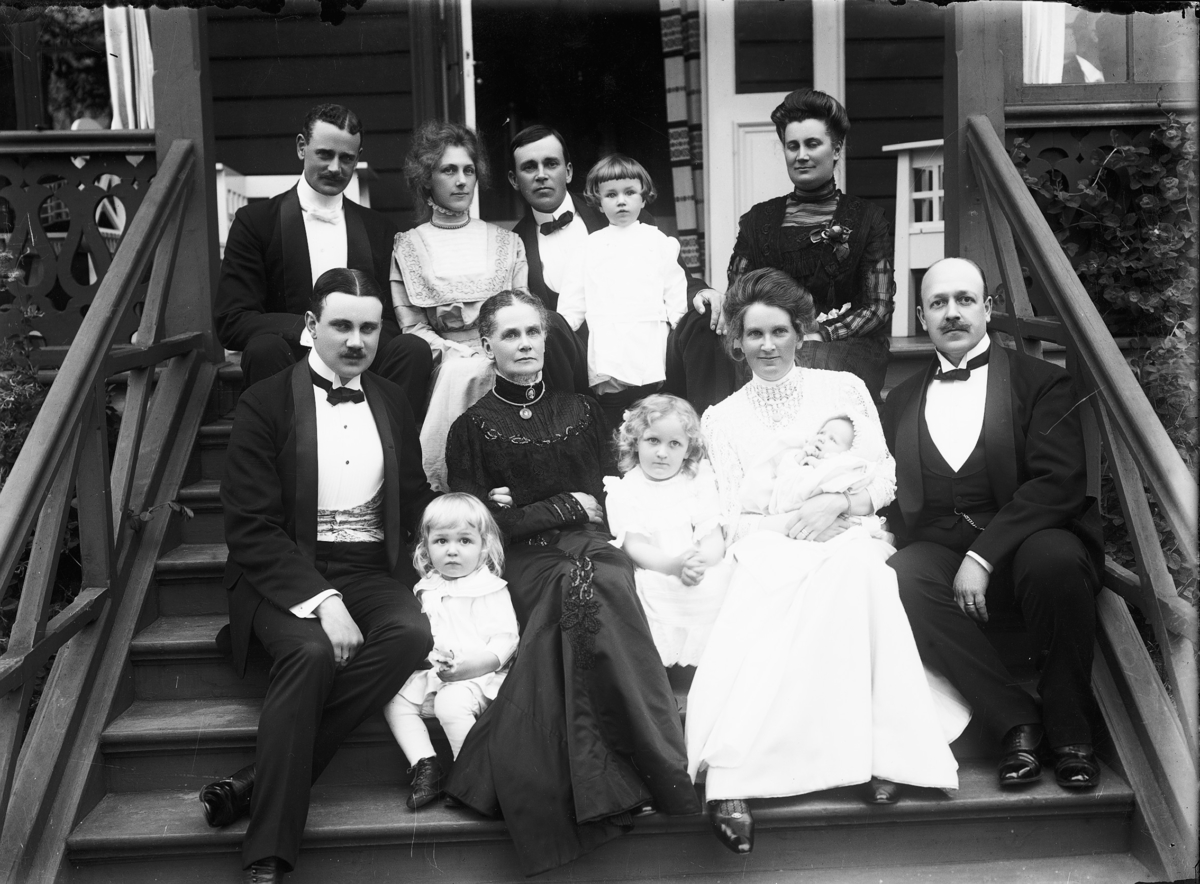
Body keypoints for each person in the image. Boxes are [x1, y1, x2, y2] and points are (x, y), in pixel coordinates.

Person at [686, 267, 967, 856]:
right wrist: (796, 521)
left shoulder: (843, 390)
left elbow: (885, 477)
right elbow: (731, 516)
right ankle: (739, 774)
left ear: (801, 332)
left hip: (849, 528)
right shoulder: (721, 418)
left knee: (858, 571)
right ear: (736, 339)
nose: (768, 346)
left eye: (779, 332)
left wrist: (839, 503)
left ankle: (881, 751)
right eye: (754, 334)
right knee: (767, 583)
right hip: (770, 541)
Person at [442, 290, 701, 876]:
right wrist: (556, 507)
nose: (524, 344)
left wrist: (523, 507)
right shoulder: (471, 428)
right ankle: (620, 777)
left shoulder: (584, 411)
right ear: (487, 344)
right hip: (525, 560)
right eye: (510, 334)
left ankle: (640, 766)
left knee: (602, 577)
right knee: (569, 584)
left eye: (533, 332)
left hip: (592, 543)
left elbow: (606, 500)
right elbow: (479, 527)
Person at [200, 268, 438, 884]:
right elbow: (250, 526)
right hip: (282, 569)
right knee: (309, 653)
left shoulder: (392, 398)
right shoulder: (265, 400)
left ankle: (256, 781)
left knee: (411, 634)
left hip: (368, 566)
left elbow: (412, 495)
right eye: (342, 325)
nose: (356, 341)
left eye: (369, 328)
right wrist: (323, 601)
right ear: (311, 325)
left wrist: (458, 524)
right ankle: (268, 857)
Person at [881, 257, 1103, 791]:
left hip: (1027, 540)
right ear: (921, 316)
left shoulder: (1042, 382)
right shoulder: (900, 400)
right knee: (901, 575)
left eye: (964, 300)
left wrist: (982, 556)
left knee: (1056, 560)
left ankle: (1072, 733)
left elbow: (1058, 482)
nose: (952, 313)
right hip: (940, 545)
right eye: (938, 303)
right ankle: (1015, 722)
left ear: (987, 307)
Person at [664, 88, 897, 412]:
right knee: (709, 335)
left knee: (807, 365)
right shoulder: (758, 220)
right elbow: (739, 296)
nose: (801, 155)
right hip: (768, 340)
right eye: (792, 146)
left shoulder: (868, 219)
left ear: (836, 149)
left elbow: (877, 306)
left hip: (843, 343)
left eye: (812, 144)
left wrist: (822, 332)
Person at [392, 120, 587, 491]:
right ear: (427, 178)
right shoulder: (408, 246)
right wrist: (456, 353)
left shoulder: (505, 242)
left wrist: (495, 351)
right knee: (460, 373)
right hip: (444, 362)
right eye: (448, 171)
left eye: (468, 170)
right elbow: (413, 326)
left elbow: (522, 311)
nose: (461, 181)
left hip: (504, 354)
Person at [214, 103, 432, 416]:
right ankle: (284, 441)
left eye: (347, 158)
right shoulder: (256, 222)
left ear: (358, 157)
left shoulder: (378, 228)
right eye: (325, 154)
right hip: (290, 360)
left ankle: (389, 440)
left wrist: (355, 341)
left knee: (412, 349)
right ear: (302, 147)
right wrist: (313, 332)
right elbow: (232, 320)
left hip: (361, 363)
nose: (335, 168)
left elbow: (391, 319)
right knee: (262, 348)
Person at [382, 493, 519, 810]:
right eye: (441, 541)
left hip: (480, 676)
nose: (452, 550)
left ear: (483, 546)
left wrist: (467, 669)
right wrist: (432, 658)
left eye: (465, 541)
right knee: (394, 699)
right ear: (426, 547)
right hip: (440, 674)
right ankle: (426, 765)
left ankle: (473, 778)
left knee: (450, 704)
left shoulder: (489, 588)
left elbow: (505, 641)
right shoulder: (427, 587)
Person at [507, 123, 716, 314]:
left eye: (551, 164)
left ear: (568, 172)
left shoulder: (621, 213)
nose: (541, 175)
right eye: (529, 167)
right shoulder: (512, 246)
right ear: (514, 180)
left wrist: (702, 293)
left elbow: (676, 279)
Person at [558, 155, 688, 427]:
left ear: (643, 198)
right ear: (599, 202)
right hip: (610, 344)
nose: (621, 201)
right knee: (612, 417)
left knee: (650, 415)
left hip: (647, 340)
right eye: (611, 195)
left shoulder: (658, 242)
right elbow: (573, 300)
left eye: (629, 193)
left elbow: (675, 287)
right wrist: (563, 328)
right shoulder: (589, 247)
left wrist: (679, 323)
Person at [603, 394, 731, 667]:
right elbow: (636, 546)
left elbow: (713, 536)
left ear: (688, 449)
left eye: (674, 444)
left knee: (718, 584)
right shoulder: (625, 490)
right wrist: (673, 566)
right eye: (653, 440)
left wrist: (700, 562)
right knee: (650, 592)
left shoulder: (698, 481)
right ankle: (663, 668)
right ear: (635, 442)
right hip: (656, 566)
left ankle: (706, 666)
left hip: (697, 564)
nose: (662, 452)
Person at [740, 414, 884, 532]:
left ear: (848, 453)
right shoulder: (802, 456)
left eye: (833, 439)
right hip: (791, 517)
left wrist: (817, 464)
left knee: (855, 530)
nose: (822, 438)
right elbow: (784, 473)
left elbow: (834, 476)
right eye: (821, 433)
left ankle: (877, 531)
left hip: (835, 518)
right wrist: (799, 458)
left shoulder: (842, 466)